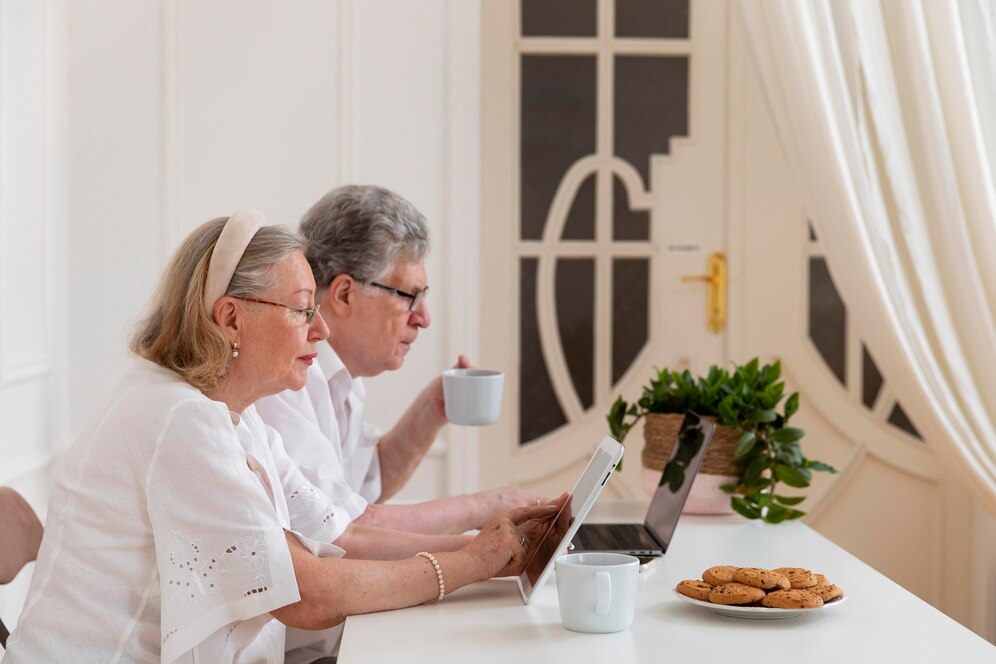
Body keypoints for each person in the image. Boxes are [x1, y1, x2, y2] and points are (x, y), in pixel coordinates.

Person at [2, 210, 559, 663]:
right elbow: (307, 594)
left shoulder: (231, 415)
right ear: (231, 319)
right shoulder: (180, 420)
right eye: (301, 310)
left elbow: (342, 535)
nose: (320, 329)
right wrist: (472, 563)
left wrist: (493, 548)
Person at [256, 185, 538, 537]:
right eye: (410, 296)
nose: (423, 317)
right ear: (345, 294)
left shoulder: (342, 376)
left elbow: (364, 485)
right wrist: (486, 507)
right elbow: (341, 528)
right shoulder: (283, 378)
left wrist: (432, 409)